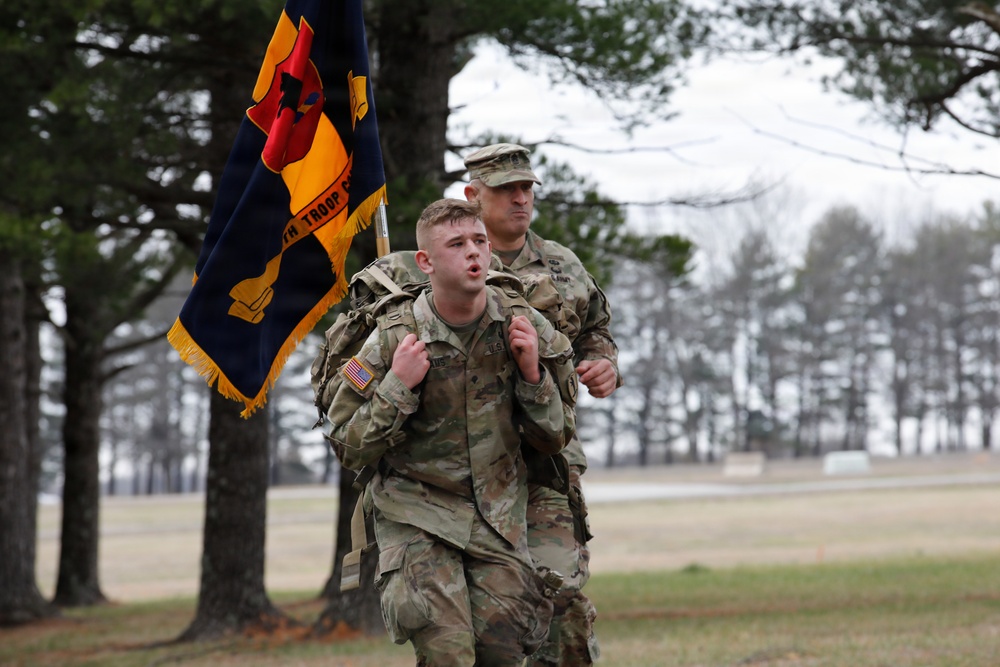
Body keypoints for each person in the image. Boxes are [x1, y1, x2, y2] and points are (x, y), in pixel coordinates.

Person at [325, 198, 578, 667]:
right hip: (417, 511)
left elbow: (555, 438)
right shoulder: (390, 339)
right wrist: (397, 386)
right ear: (426, 262)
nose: (474, 253)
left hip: (497, 517)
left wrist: (532, 377)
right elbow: (347, 445)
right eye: (457, 244)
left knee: (505, 653)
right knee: (448, 655)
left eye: (480, 241)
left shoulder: (523, 327)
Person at [464, 143, 622, 667]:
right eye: (506, 189)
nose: (520, 198)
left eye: (526, 188)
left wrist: (603, 365)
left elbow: (596, 330)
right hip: (467, 471)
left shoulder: (562, 265)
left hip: (548, 465)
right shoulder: (451, 263)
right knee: (483, 619)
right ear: (473, 195)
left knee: (562, 597)